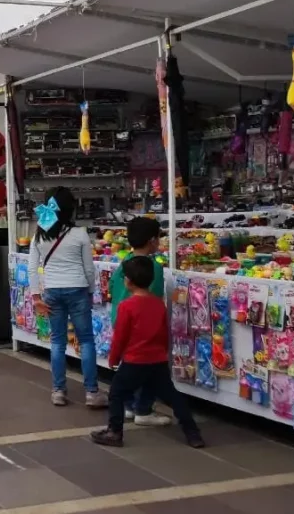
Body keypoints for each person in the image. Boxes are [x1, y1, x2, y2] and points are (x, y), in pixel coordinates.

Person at [90, 256, 205, 448]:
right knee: (173, 397)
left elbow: (120, 337)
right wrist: (163, 354)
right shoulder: (158, 304)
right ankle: (192, 432)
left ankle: (114, 431)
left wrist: (113, 358)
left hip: (134, 360)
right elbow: (163, 333)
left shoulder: (126, 307)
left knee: (117, 393)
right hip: (157, 360)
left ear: (128, 281)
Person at [28, 187, 106, 408]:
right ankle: (92, 392)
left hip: (52, 291)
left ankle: (58, 391)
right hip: (78, 289)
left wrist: (36, 297)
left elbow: (33, 268)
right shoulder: (80, 234)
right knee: (86, 340)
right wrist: (90, 292)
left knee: (57, 341)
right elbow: (89, 270)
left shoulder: (39, 236)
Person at [110, 217, 171, 426]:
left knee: (128, 367)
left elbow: (111, 288)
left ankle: (128, 405)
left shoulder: (123, 262)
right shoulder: (153, 267)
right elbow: (154, 298)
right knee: (148, 370)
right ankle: (143, 409)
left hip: (119, 318)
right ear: (152, 240)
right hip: (141, 326)